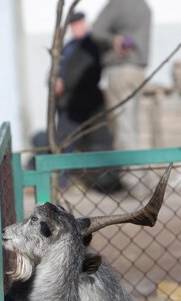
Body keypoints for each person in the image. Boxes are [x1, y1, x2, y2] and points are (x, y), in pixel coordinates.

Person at [55, 11, 123, 193]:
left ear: (84, 24)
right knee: (64, 141)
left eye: (79, 24)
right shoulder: (69, 46)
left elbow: (84, 72)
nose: (77, 28)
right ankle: (61, 181)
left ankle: (108, 181)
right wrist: (55, 80)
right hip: (69, 102)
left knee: (100, 142)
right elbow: (57, 69)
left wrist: (65, 82)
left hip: (88, 100)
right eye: (73, 25)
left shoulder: (92, 44)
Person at [91, 0, 152, 153]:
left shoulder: (117, 4)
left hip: (119, 69)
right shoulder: (144, 6)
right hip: (138, 69)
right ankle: (141, 170)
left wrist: (113, 40)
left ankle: (131, 173)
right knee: (134, 125)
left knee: (123, 126)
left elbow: (96, 30)